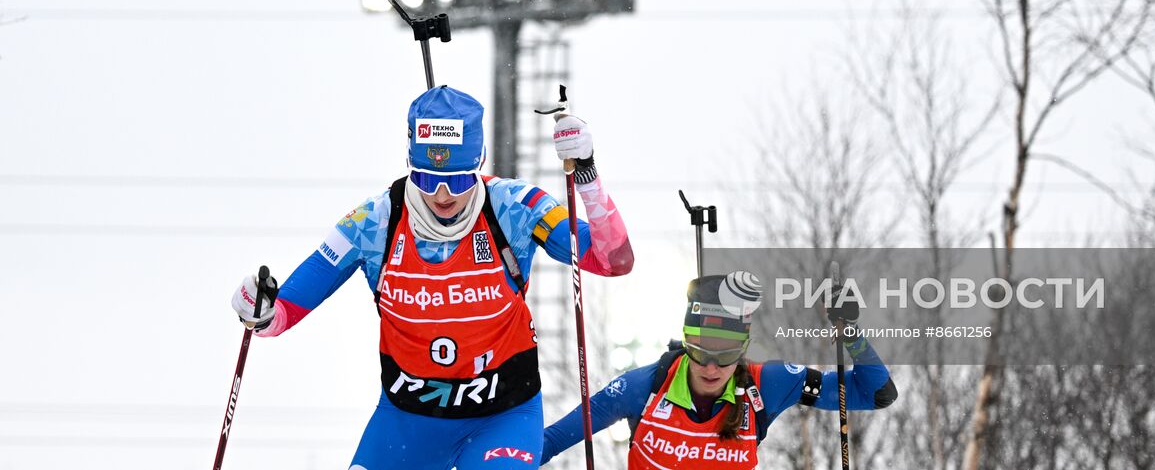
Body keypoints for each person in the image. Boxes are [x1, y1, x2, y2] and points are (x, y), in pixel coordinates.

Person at [230, 85, 633, 470]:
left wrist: (587, 174)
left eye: (457, 180)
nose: (442, 194)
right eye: (425, 177)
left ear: (479, 164)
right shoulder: (376, 220)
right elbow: (282, 312)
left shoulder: (514, 208)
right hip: (408, 419)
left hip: (502, 415)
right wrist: (261, 312)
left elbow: (612, 260)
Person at [541, 271, 896, 468]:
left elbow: (874, 393)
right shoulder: (644, 387)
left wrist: (850, 332)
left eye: (725, 356)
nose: (711, 367)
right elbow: (549, 442)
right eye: (700, 352)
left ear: (742, 350)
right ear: (686, 342)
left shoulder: (766, 385)